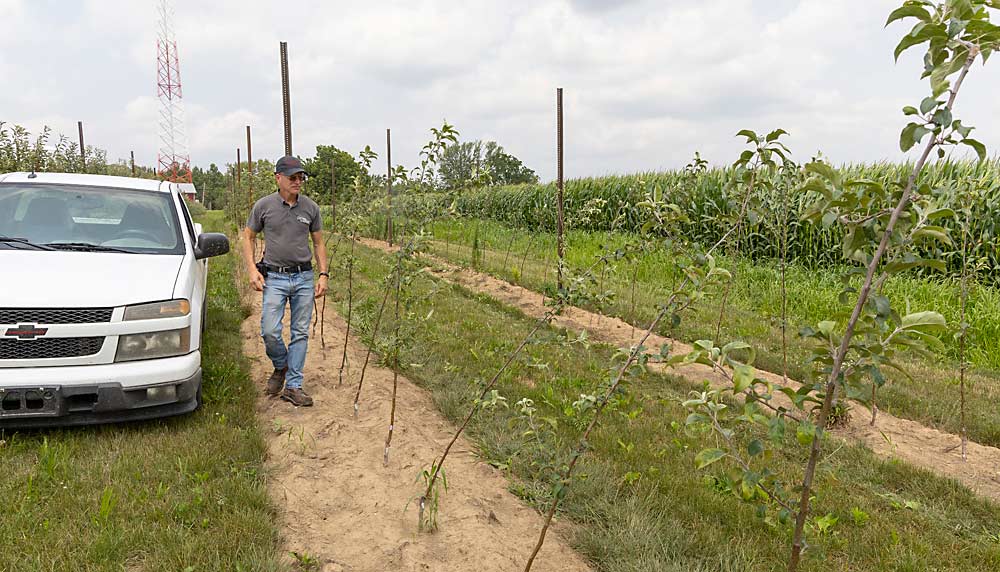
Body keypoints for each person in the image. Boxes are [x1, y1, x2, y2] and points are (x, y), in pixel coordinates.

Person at [241, 155, 329, 406]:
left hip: (303, 276)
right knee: (269, 331)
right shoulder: (264, 206)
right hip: (275, 277)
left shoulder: (310, 208)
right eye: (293, 177)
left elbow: (319, 242)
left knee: (300, 332)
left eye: (301, 177)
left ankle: (293, 385)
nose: (298, 181)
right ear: (278, 178)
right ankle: (281, 365)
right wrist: (251, 270)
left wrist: (323, 274)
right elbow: (248, 237)